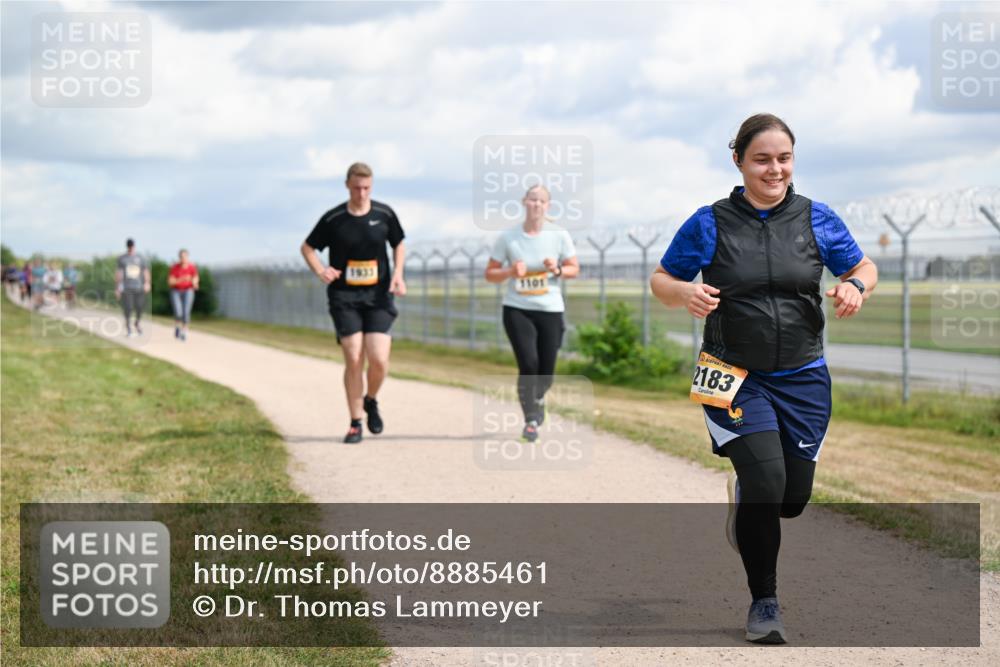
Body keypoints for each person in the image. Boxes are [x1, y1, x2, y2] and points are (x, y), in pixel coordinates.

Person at [650, 113, 877, 645]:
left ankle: (749, 499)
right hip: (729, 372)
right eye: (762, 159)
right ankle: (765, 603)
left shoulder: (818, 219)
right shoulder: (709, 222)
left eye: (784, 158)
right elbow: (662, 278)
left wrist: (856, 288)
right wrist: (683, 293)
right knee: (765, 483)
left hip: (802, 375)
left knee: (791, 498)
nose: (774, 169)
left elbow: (863, 266)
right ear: (739, 161)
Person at [301, 162, 406, 444]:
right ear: (347, 185)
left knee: (379, 359)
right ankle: (355, 421)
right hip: (344, 296)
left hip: (379, 296)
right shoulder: (334, 218)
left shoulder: (384, 214)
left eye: (367, 188)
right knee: (353, 356)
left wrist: (398, 274)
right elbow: (307, 247)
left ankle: (370, 399)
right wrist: (321, 270)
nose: (362, 193)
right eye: (357, 187)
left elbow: (399, 243)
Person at [484, 185, 579, 442]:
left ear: (547, 206)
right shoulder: (509, 237)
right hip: (517, 309)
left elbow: (574, 268)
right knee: (528, 364)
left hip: (550, 309)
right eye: (532, 199)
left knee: (546, 370)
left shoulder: (559, 235)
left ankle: (538, 399)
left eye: (541, 200)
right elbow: (490, 273)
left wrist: (557, 269)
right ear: (524, 202)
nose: (536, 204)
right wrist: (510, 272)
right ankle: (530, 420)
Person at [115, 238, 151, 337]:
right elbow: (119, 273)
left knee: (139, 307)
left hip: (139, 287)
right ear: (127, 246)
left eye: (132, 246)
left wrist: (147, 283)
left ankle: (137, 322)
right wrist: (117, 287)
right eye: (129, 246)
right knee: (128, 307)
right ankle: (128, 327)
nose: (130, 248)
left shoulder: (140, 258)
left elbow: (145, 271)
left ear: (134, 246)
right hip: (127, 287)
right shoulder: (122, 259)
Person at [168, 249, 199, 341]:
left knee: (186, 312)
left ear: (187, 257)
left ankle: (184, 331)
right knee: (178, 312)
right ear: (179, 258)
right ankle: (177, 326)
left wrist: (195, 283)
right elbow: (171, 282)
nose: (183, 258)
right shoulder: (175, 268)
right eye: (181, 257)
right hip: (176, 291)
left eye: (185, 257)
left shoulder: (192, 267)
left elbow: (195, 278)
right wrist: (181, 279)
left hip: (188, 290)